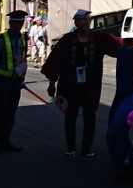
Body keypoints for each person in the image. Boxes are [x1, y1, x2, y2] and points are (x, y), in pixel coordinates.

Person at [43, 9, 122, 158]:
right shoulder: (67, 40)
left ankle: (87, 148)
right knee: (70, 115)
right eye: (81, 20)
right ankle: (71, 147)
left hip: (91, 85)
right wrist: (52, 83)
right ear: (76, 23)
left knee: (90, 116)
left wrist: (130, 49)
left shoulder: (99, 38)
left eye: (87, 20)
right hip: (69, 85)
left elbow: (118, 49)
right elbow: (55, 60)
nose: (85, 23)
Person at [0, 10, 30, 153]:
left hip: (15, 83)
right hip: (1, 82)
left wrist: (22, 78)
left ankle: (5, 141)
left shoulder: (23, 39)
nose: (19, 26)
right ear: (11, 23)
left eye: (21, 23)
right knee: (0, 113)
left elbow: (23, 60)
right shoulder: (1, 39)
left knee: (11, 113)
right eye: (16, 23)